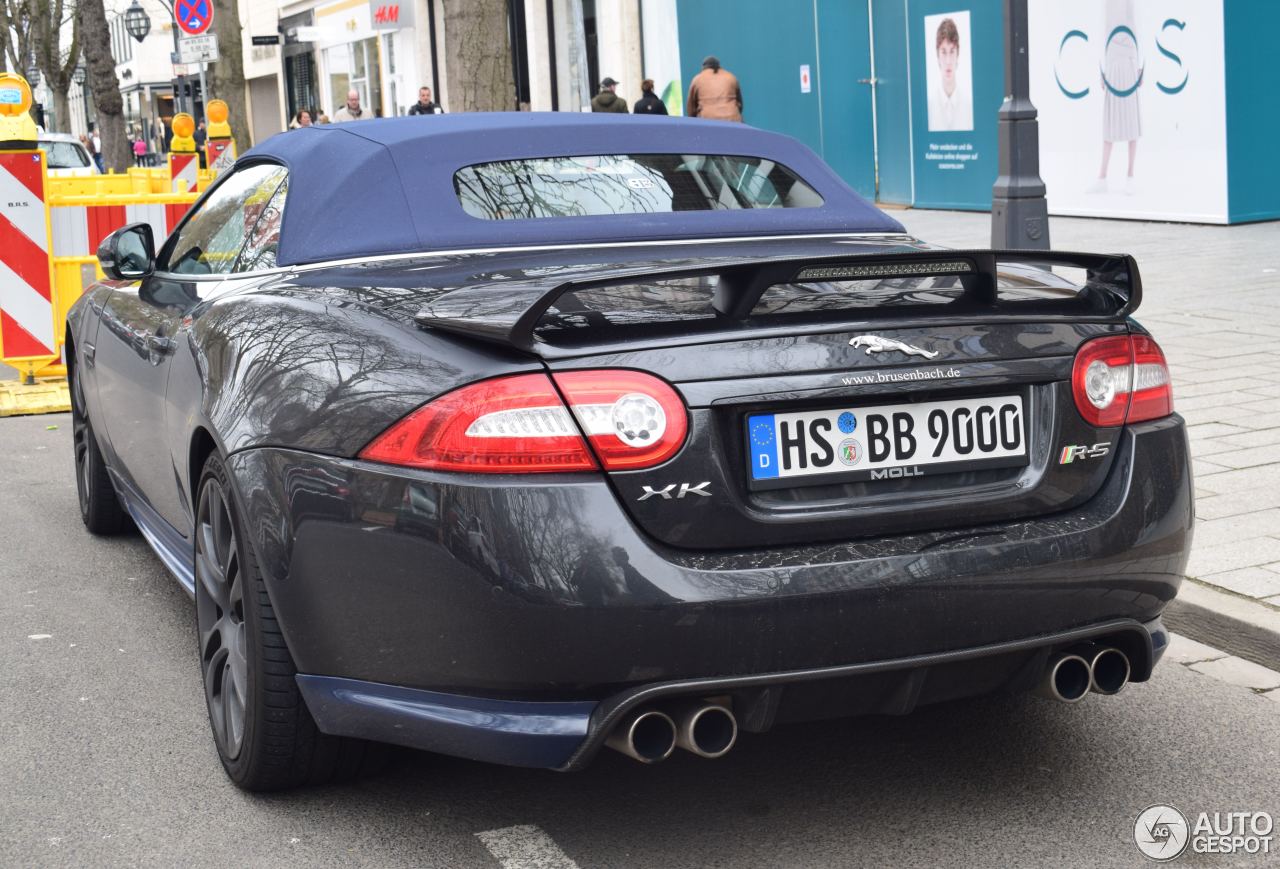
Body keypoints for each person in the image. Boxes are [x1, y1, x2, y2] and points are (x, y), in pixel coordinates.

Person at [1088, 0, 1141, 194]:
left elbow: (1135, 26)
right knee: (1110, 121)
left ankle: (1130, 176)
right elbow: (1101, 31)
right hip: (1112, 60)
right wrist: (1102, 69)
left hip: (1127, 59)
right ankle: (1102, 177)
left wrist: (1138, 66)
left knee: (1131, 119)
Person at [926, 17, 973, 132]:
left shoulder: (969, 106)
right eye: (943, 52)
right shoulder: (928, 106)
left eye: (952, 51)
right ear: (937, 56)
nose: (948, 61)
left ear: (958, 54)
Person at [686, 56, 742, 122]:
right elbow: (740, 104)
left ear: (703, 67)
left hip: (708, 122)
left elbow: (691, 109)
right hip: (734, 121)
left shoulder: (697, 79)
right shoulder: (731, 77)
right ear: (719, 66)